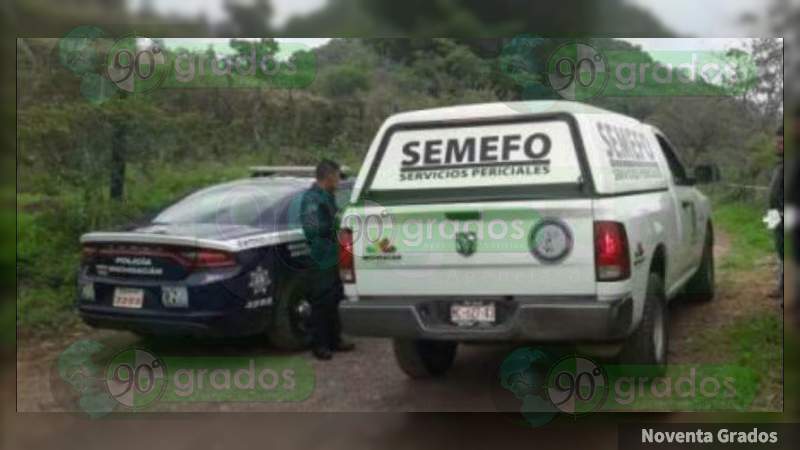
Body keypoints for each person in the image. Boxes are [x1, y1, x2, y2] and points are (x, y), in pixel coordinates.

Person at [300, 159, 355, 360]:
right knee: (321, 302)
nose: (339, 181)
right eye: (338, 176)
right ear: (329, 176)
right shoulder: (313, 200)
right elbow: (313, 228)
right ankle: (320, 344)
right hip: (320, 257)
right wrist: (337, 226)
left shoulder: (328, 197)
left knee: (335, 298)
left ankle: (335, 339)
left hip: (334, 255)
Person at [768, 125, 784, 306]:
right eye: (777, 142)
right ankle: (781, 287)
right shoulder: (779, 164)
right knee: (779, 253)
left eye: (781, 143)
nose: (778, 145)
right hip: (775, 215)